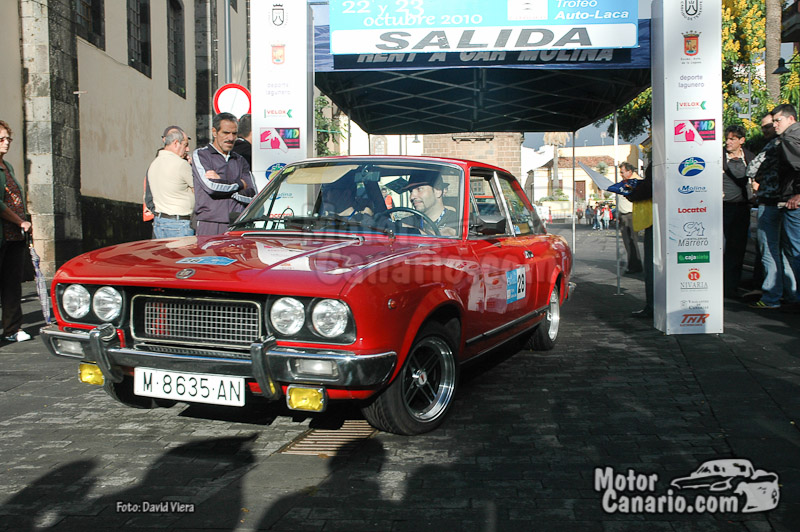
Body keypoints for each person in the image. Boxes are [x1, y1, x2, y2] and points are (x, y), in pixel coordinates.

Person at [747, 113, 798, 309]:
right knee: (787, 251)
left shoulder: (777, 144)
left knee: (769, 250)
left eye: (771, 125)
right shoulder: (789, 141)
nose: (769, 129)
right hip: (786, 201)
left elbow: (751, 169)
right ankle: (791, 294)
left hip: (770, 201)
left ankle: (771, 296)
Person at [192, 113, 256, 236]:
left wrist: (221, 181)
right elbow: (211, 187)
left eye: (234, 133)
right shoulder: (201, 155)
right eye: (226, 133)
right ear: (214, 132)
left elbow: (253, 194)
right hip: (209, 223)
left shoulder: (240, 160)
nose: (231, 138)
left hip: (236, 223)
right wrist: (239, 184)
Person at [0, 120, 32, 342]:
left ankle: (12, 329)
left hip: (13, 236)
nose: (6, 142)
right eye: (1, 139)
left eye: (8, 138)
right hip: (5, 232)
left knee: (12, 284)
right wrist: (20, 221)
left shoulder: (7, 166)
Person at [769, 103, 800, 312]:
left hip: (793, 202)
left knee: (796, 251)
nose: (774, 125)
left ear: (791, 119)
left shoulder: (789, 139)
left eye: (777, 120)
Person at [722, 124, 755, 298]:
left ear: (741, 140)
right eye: (727, 139)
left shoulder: (750, 157)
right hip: (722, 208)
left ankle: (731, 287)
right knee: (722, 247)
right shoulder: (718, 157)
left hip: (742, 208)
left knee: (737, 248)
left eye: (732, 139)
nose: (728, 142)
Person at [147, 126, 195, 238]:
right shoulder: (181, 164)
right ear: (176, 143)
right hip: (179, 223)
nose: (187, 149)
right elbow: (199, 189)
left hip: (159, 221)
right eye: (185, 145)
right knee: (183, 251)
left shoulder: (154, 164)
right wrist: (193, 166)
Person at [628, 164, 654, 318]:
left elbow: (650, 187)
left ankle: (652, 306)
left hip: (656, 221)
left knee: (652, 265)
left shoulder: (658, 161)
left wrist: (631, 193)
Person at [405, 171, 458, 236]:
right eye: (410, 191)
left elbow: (448, 234)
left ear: (438, 191)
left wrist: (411, 231)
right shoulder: (409, 221)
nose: (412, 197)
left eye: (419, 189)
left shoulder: (457, 220)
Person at [617, 162, 644, 274]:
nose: (621, 174)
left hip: (631, 215)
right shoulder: (626, 182)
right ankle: (633, 264)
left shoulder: (636, 182)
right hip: (624, 215)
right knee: (628, 242)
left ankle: (635, 266)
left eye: (622, 172)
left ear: (629, 171)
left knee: (631, 241)